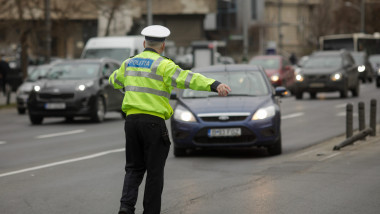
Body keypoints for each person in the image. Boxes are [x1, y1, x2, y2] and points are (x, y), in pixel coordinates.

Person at [109, 25, 231, 214]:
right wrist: (214, 85)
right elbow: (188, 79)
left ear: (144, 43)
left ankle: (126, 207)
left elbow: (114, 81)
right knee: (154, 173)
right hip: (153, 123)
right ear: (163, 46)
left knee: (133, 168)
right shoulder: (164, 65)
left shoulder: (129, 63)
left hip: (131, 123)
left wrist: (129, 87)